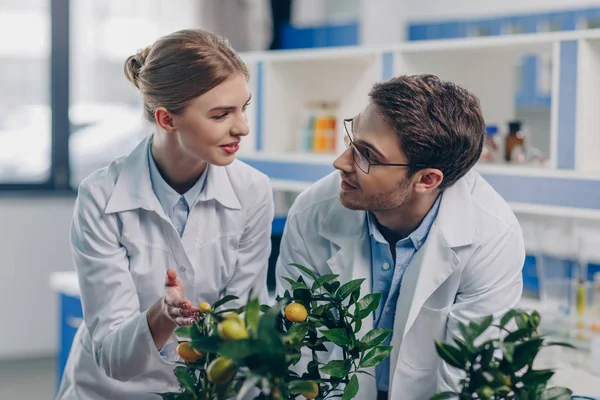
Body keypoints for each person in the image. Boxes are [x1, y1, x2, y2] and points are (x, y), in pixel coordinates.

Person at [275, 74, 525, 400]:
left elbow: (469, 380)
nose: (340, 162)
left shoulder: (490, 236)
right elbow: (300, 352)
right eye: (353, 140)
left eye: (367, 155)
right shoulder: (314, 211)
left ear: (426, 179)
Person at [56, 29, 274, 400]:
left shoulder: (252, 190)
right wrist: (162, 314)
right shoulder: (100, 197)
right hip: (109, 392)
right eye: (221, 114)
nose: (242, 127)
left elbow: (242, 317)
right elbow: (114, 357)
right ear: (167, 119)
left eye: (243, 107)